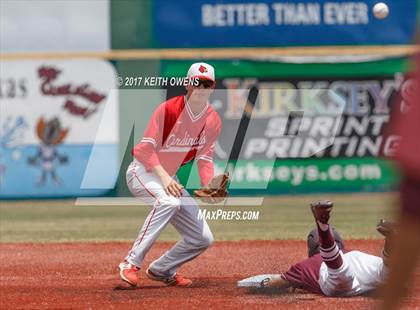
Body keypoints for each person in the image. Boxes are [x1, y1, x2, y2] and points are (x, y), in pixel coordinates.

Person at [119, 62, 222, 287]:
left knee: (203, 238)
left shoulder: (212, 120)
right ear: (187, 84)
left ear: (213, 88)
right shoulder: (169, 110)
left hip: (168, 178)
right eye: (197, 82)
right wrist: (165, 178)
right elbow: (144, 150)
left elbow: (204, 158)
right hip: (143, 171)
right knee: (168, 202)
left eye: (207, 84)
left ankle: (162, 269)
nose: (201, 88)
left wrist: (210, 187)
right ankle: (130, 263)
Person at [238, 200, 393, 297]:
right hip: (359, 260)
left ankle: (322, 223)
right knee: (387, 271)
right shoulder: (350, 251)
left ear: (313, 247)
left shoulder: (305, 266)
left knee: (340, 273)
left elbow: (275, 282)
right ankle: (392, 241)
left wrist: (254, 285)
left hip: (336, 273)